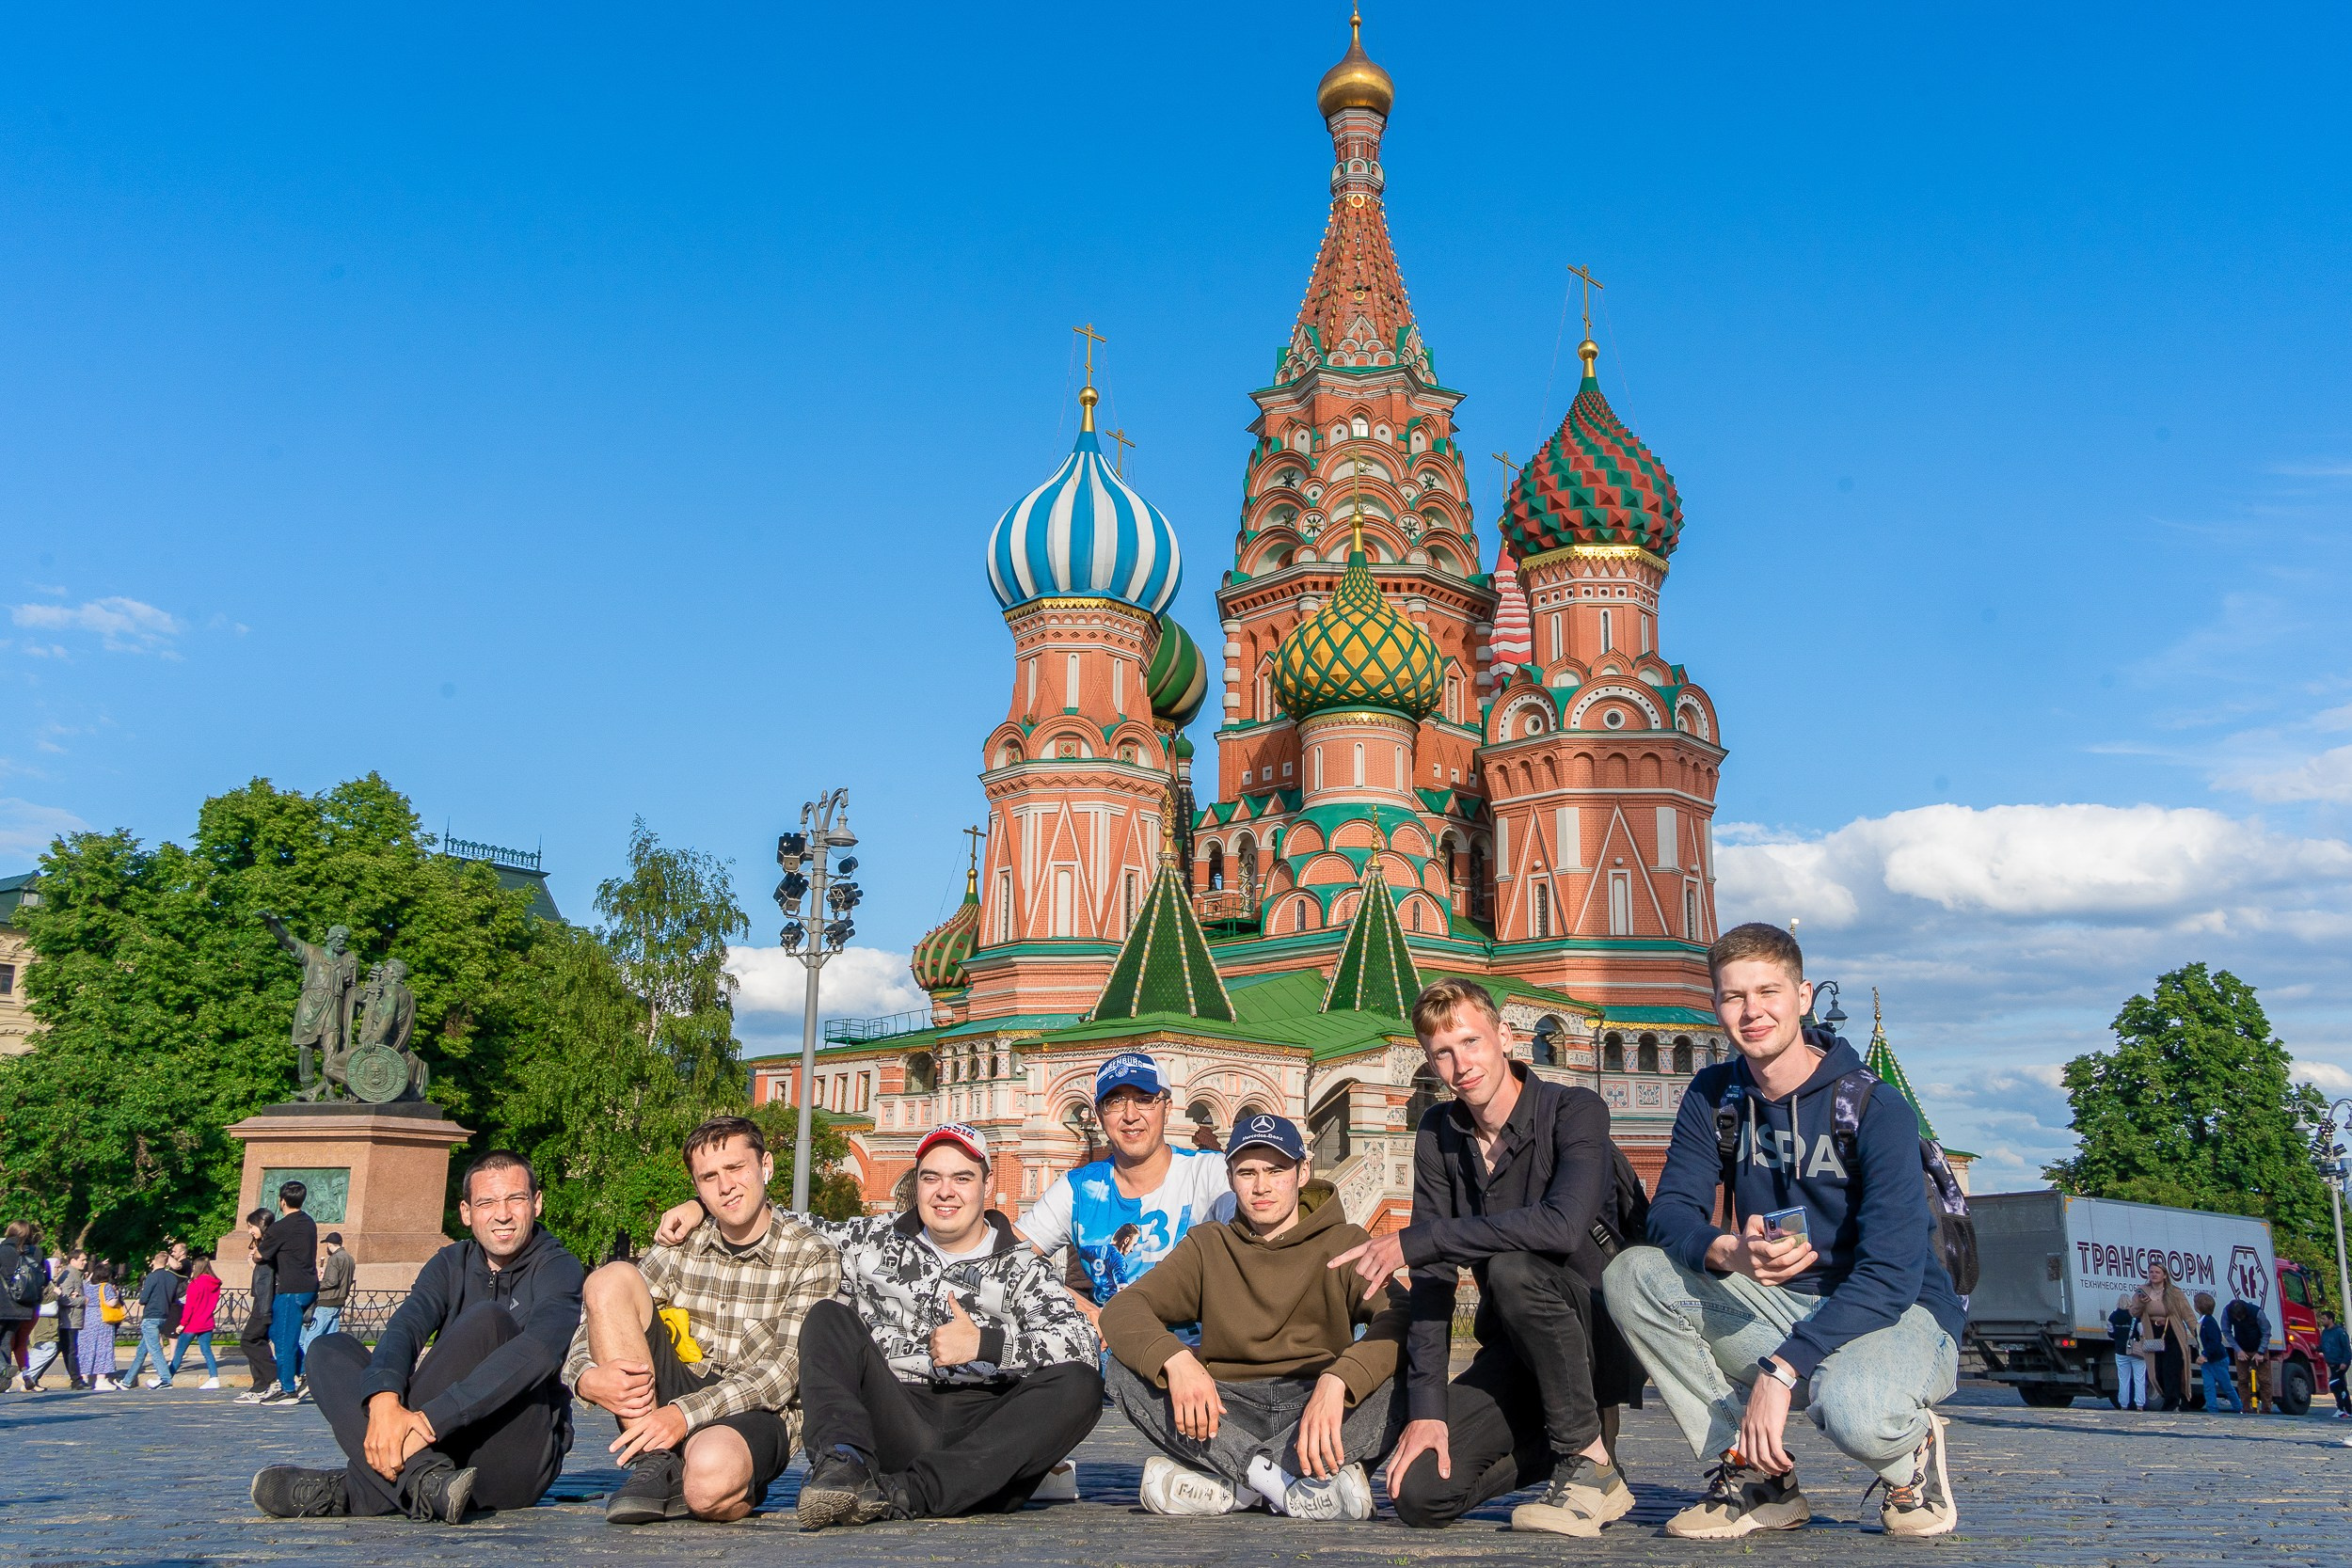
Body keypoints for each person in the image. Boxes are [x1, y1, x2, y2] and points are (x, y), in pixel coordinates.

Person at [1603, 923, 1967, 1540]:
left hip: (1896, 1311)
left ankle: (1912, 1460)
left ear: (1803, 997)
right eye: (1733, 995)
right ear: (1716, 1005)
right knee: (1631, 1275)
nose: (1752, 1011)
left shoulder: (1873, 1107)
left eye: (1768, 991)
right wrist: (1728, 1249)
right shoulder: (1716, 1095)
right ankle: (1754, 1477)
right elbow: (1667, 1214)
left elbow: (1892, 1273)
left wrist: (1780, 1371)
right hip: (1780, 1299)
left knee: (1852, 1407)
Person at [1324, 977, 1635, 1536]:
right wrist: (1427, 1411)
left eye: (1471, 1042)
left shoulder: (1574, 1110)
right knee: (1420, 1495)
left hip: (1592, 1337)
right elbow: (1435, 1284)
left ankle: (1585, 1459)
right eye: (1441, 1053)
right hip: (1516, 1351)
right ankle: (1575, 1450)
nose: (1460, 1064)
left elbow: (1562, 1228)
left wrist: (1422, 1240)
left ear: (1504, 1037)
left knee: (1515, 1269)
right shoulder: (1440, 1133)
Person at [791, 1123, 1104, 1530]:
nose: (945, 1191)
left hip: (984, 1438)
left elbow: (1081, 1342)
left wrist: (986, 1344)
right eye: (931, 1177)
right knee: (826, 1318)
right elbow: (779, 1223)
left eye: (962, 1177)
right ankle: (842, 1465)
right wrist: (698, 1207)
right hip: (897, 1413)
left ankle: (901, 1494)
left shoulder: (1022, 1265)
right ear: (917, 1184)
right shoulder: (872, 1239)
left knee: (1080, 1385)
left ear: (985, 1186)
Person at [251, 1150, 586, 1525]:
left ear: (536, 1203)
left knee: (488, 1322)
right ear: (466, 1212)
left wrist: (427, 1423)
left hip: (515, 1454)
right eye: (487, 1202)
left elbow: (539, 1350)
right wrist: (383, 1402)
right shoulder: (449, 1263)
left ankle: (352, 1489)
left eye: (515, 1199)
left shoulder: (558, 1267)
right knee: (327, 1349)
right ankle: (425, 1480)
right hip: (438, 1449)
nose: (502, 1214)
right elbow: (405, 1327)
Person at [1104, 1112, 1408, 1523]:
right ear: (1230, 1178)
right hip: (1225, 1410)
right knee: (1122, 1367)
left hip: (1315, 1403)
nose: (1261, 1186)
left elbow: (1402, 1314)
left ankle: (1231, 1483)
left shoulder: (1345, 1242)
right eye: (1247, 1172)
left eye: (1275, 1170)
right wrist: (1175, 1360)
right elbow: (1124, 1308)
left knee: (1412, 1369)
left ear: (1302, 1172)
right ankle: (1280, 1484)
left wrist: (1342, 1379)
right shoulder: (1208, 1245)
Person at [565, 1116, 838, 1527]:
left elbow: (781, 1373)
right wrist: (583, 1376)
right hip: (675, 1383)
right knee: (609, 1279)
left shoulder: (810, 1254)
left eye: (735, 1168)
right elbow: (602, 1317)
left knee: (707, 1488)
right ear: (696, 1188)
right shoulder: (681, 1243)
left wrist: (681, 1415)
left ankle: (715, 1479)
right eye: (709, 1177)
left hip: (757, 1409)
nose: (725, 1186)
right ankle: (656, 1463)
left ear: (766, 1166)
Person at [1016, 1053, 1234, 1322]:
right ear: (1099, 1115)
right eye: (1115, 1102)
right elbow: (1007, 1256)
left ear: (1167, 1109)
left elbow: (1253, 1243)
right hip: (1111, 1348)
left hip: (1195, 1349)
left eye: (1144, 1099)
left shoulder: (1210, 1173)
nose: (1130, 1116)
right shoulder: (1079, 1189)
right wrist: (1064, 1296)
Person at [255, 1180, 319, 1404]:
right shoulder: (309, 1223)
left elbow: (260, 1256)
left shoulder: (280, 1227)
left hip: (291, 1288)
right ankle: (304, 1372)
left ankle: (288, 1388)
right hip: (308, 1286)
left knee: (283, 1340)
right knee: (278, 1333)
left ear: (281, 1201)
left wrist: (256, 1244)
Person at [235, 1210, 280, 1403]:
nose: (249, 1232)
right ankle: (260, 1385)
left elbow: (270, 1275)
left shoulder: (269, 1246)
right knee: (257, 1339)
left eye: (251, 1227)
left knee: (249, 1339)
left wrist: (255, 1265)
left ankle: (274, 1378)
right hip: (262, 1298)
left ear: (261, 1224)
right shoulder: (264, 1245)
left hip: (267, 1300)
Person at [2139, 1264, 2198, 1412]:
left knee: (2171, 1370)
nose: (2153, 1274)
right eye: (2151, 1272)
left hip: (2172, 1333)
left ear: (2164, 1275)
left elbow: (2188, 1315)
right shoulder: (2143, 1291)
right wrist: (2141, 1303)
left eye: (2157, 1272)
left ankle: (2172, 1403)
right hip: (2153, 1333)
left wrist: (2197, 1334)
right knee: (2156, 1372)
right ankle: (2170, 1397)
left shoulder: (2175, 1293)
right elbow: (2133, 1312)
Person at [122, 1250, 181, 1389]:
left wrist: (140, 1301)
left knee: (154, 1349)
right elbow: (173, 1298)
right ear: (166, 1263)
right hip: (164, 1315)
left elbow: (144, 1298)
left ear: (154, 1262)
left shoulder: (152, 1277)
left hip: (151, 1316)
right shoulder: (173, 1278)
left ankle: (165, 1379)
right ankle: (127, 1381)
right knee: (142, 1350)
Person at [170, 1258, 223, 1388]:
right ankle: (214, 1377)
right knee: (206, 1351)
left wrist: (182, 1323)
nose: (193, 1269)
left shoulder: (195, 1283)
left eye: (194, 1267)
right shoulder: (215, 1284)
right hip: (207, 1321)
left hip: (193, 1323)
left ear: (198, 1267)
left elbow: (190, 1306)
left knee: (179, 1352)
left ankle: (166, 1378)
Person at [0, 1220, 41, 1382]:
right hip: (24, 1306)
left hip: (3, 1304)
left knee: (4, 1341)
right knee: (5, 1341)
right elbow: (45, 1278)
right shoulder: (36, 1252)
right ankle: (3, 1381)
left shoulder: (3, 1250)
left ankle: (4, 1368)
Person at [305, 1232, 355, 1355]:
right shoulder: (349, 1258)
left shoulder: (334, 1258)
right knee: (331, 1342)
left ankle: (307, 1368)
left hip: (327, 1302)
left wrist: (317, 1285)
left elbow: (332, 1281)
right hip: (339, 1302)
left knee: (311, 1339)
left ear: (329, 1244)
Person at [2224, 1298, 2275, 1415]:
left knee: (2264, 1380)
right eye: (2236, 1319)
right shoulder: (2227, 1312)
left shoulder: (2257, 1312)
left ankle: (2266, 1409)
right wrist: (2238, 1350)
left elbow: (2266, 1332)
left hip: (2258, 1347)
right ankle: (2246, 1408)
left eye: (2240, 1318)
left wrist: (2260, 1352)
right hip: (2241, 1349)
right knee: (2242, 1380)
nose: (2238, 1320)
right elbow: (2226, 1331)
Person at [2195, 1293, 2242, 1414]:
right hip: (2208, 1361)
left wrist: (2204, 1354)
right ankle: (2212, 1410)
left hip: (2217, 1360)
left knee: (2226, 1386)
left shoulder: (2209, 1322)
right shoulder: (2202, 1322)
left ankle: (2239, 1408)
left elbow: (2215, 1341)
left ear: (2198, 1307)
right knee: (2208, 1387)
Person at [79, 1260, 121, 1390]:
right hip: (102, 1320)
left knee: (86, 1348)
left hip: (87, 1320)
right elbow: (111, 1303)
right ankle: (101, 1379)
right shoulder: (106, 1286)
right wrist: (117, 1295)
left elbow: (88, 1279)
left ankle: (83, 1377)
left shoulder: (86, 1286)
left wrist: (97, 1267)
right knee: (103, 1348)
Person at [2109, 1291, 2149, 1411]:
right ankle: (2140, 1404)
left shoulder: (2113, 1317)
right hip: (2136, 1351)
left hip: (2120, 1351)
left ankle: (2123, 1405)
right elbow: (2142, 1332)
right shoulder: (2135, 1317)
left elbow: (2111, 1333)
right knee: (2139, 1379)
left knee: (2123, 1380)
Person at [2317, 1308, 2349, 1418]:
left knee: (2334, 1384)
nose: (2322, 1320)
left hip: (2339, 1363)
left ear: (2330, 1319)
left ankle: (2341, 1409)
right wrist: (2316, 1348)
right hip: (2331, 1363)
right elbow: (2323, 1347)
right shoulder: (2325, 1332)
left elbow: (2347, 1349)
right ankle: (2347, 1409)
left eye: (2324, 1318)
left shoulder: (2340, 1332)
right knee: (2341, 1386)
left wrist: (2344, 1362)